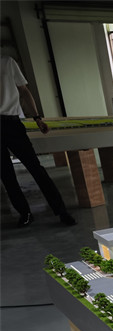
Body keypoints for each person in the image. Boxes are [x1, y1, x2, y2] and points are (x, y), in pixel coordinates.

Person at [1, 55, 75, 227]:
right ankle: (25, 213)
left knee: (36, 168)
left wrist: (37, 118)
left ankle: (61, 211)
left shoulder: (7, 62)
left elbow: (24, 91)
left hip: (12, 123)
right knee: (6, 174)